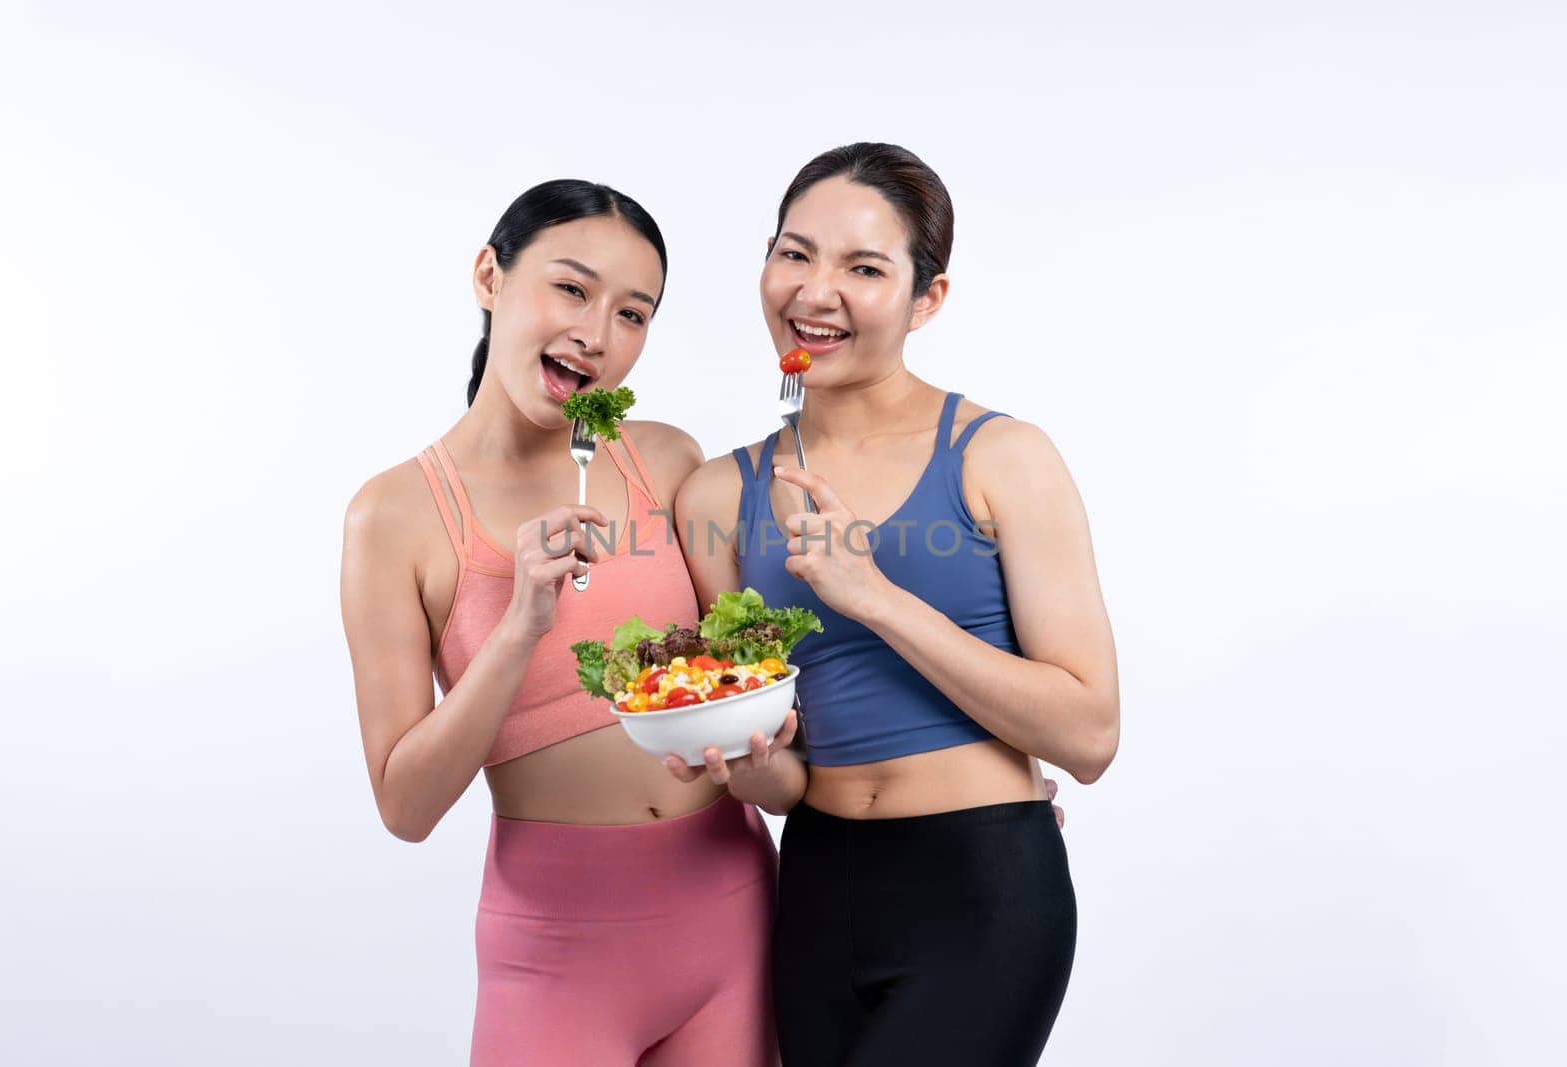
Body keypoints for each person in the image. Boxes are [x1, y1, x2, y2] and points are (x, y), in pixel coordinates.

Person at [670, 143, 1120, 1066]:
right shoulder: (719, 496)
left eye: (864, 267)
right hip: (819, 887)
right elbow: (788, 772)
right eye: (795, 254)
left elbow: (1090, 733)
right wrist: (745, 766)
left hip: (982, 885)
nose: (815, 291)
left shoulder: (1001, 456)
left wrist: (876, 598)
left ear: (928, 298)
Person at [340, 180, 778, 1067]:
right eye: (572, 289)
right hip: (555, 952)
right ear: (489, 276)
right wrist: (518, 625)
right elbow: (405, 805)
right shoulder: (393, 516)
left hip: (734, 912)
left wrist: (962, 788)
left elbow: (759, 665)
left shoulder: (662, 458)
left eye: (633, 313)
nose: (597, 334)